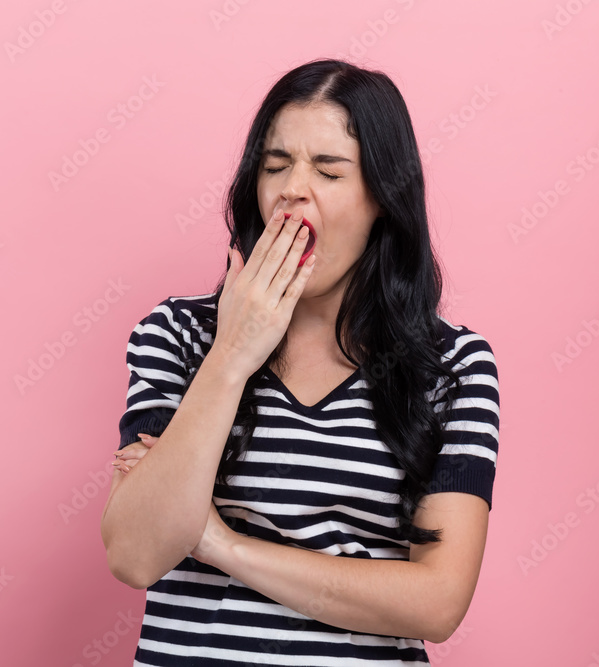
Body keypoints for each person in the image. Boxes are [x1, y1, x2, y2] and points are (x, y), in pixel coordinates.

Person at [100, 58, 500, 666]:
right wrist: (233, 353)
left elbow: (437, 602)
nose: (293, 188)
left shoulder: (452, 365)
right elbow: (134, 551)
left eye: (329, 171)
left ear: (384, 199)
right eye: (276, 165)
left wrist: (218, 542)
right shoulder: (179, 333)